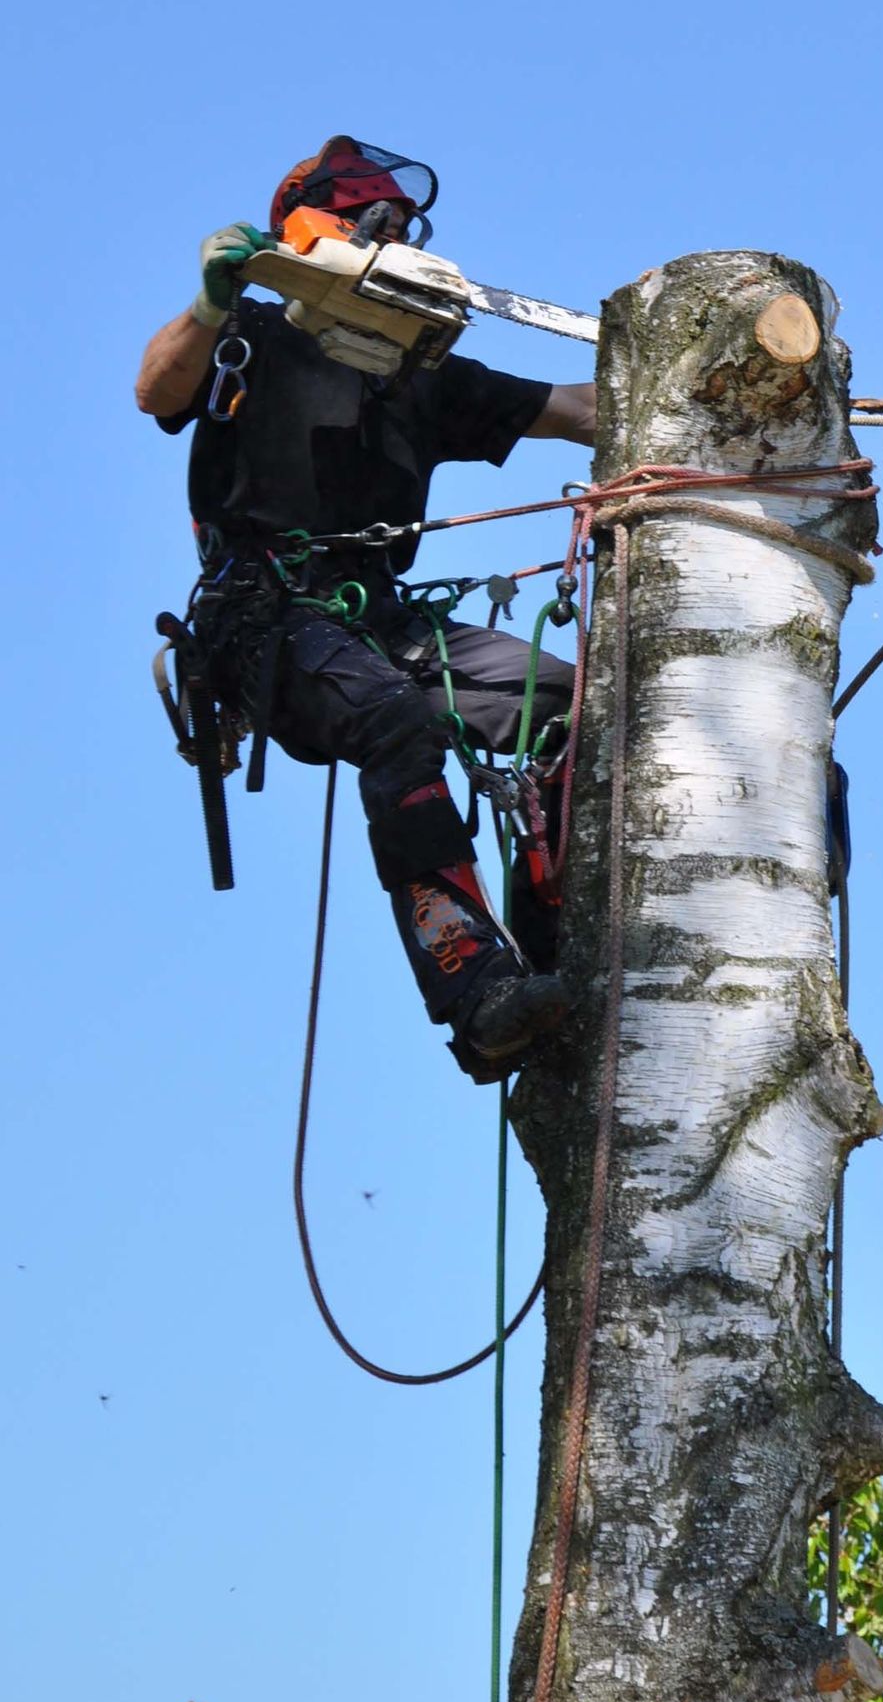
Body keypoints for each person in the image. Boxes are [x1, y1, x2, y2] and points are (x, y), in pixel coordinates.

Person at [136, 135, 594, 1080]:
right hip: (262, 619)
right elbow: (156, 388)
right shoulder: (249, 336)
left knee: (576, 704)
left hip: (379, 622)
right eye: (366, 220)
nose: (386, 237)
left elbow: (577, 408)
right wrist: (211, 296)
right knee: (391, 716)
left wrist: (693, 395)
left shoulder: (421, 376)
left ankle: (560, 952)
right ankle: (474, 990)